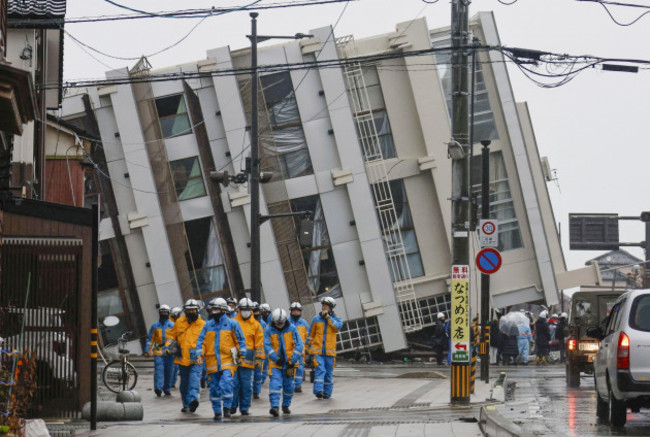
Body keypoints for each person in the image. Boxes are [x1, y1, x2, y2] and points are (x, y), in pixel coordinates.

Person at [196, 297, 245, 420]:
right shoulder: (208, 326)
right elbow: (201, 342)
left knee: (227, 383)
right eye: (213, 309)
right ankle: (217, 411)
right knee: (214, 388)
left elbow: (240, 340)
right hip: (212, 362)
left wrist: (241, 355)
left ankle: (227, 408)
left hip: (228, 360)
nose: (214, 311)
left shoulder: (232, 324)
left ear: (223, 309)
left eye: (217, 309)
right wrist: (199, 355)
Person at [166, 299, 206, 413]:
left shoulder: (203, 325)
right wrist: (169, 346)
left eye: (194, 309)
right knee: (184, 383)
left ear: (198, 310)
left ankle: (194, 400)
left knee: (194, 379)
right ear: (185, 311)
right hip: (181, 358)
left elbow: (207, 341)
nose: (192, 311)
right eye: (189, 310)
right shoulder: (179, 322)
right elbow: (171, 336)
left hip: (196, 358)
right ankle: (186, 404)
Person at [264, 308, 303, 417]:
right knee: (275, 384)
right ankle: (275, 407)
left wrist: (292, 360)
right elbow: (267, 346)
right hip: (275, 363)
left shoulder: (292, 328)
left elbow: (299, 345)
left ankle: (286, 405)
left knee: (289, 386)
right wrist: (276, 358)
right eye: (278, 323)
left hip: (289, 363)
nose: (280, 324)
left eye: (281, 322)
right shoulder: (269, 330)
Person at [231, 298, 264, 416]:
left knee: (246, 385)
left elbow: (259, 343)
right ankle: (232, 406)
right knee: (234, 383)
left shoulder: (256, 325)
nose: (245, 311)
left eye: (248, 309)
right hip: (234, 356)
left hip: (249, 359)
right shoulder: (233, 322)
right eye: (243, 309)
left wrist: (259, 358)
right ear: (239, 309)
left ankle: (244, 407)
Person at [306, 296, 343, 400]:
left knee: (328, 373)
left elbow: (337, 328)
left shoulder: (336, 319)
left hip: (330, 352)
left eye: (325, 306)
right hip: (317, 351)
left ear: (330, 308)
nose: (323, 308)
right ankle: (318, 391)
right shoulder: (316, 319)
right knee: (320, 370)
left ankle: (327, 393)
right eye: (322, 306)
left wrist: (328, 318)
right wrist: (306, 346)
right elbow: (311, 334)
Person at [144, 304, 175, 397]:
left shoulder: (173, 325)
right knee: (159, 370)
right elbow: (150, 339)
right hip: (158, 349)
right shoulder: (155, 325)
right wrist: (147, 350)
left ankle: (167, 388)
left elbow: (174, 338)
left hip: (169, 351)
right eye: (162, 312)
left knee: (169, 371)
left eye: (165, 312)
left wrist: (171, 347)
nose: (163, 314)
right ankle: (158, 388)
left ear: (168, 313)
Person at [288, 302, 309, 392]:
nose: (296, 313)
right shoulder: (287, 322)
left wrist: (307, 348)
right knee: (290, 367)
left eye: (297, 311)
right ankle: (290, 385)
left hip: (300, 350)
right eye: (294, 311)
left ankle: (298, 385)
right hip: (289, 350)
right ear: (291, 311)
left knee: (300, 368)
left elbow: (307, 336)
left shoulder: (304, 323)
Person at [252, 301, 267, 399]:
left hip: (260, 353)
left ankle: (256, 391)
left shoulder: (263, 324)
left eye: (257, 311)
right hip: (249, 352)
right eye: (254, 311)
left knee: (258, 373)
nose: (256, 313)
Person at [168, 307, 182, 389]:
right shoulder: (171, 324)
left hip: (177, 345)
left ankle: (172, 383)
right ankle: (170, 383)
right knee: (173, 366)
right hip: (171, 345)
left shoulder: (178, 323)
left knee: (176, 366)